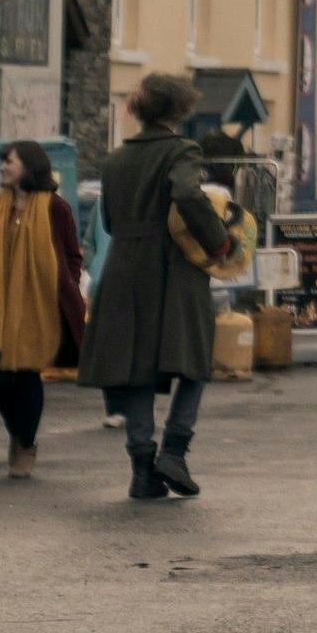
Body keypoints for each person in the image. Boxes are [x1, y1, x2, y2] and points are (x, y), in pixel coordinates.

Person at [81, 73, 234, 501]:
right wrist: (218, 241)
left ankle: (142, 471)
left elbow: (108, 220)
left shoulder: (115, 159)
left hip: (124, 267)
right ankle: (174, 452)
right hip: (172, 268)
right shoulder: (181, 150)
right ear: (180, 108)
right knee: (194, 359)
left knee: (136, 369)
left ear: (138, 109)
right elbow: (187, 195)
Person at [0, 141, 87, 478]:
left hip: (39, 305)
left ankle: (25, 444)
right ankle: (17, 430)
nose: (3, 167)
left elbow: (72, 256)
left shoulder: (56, 208)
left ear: (29, 166)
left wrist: (65, 287)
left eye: (10, 161)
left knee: (26, 375)